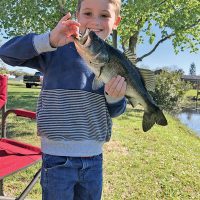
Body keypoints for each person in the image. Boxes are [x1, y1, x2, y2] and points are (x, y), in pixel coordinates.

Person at [0, 0, 126, 199]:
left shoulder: (116, 61)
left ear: (116, 21)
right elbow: (6, 54)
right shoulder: (55, 48)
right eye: (87, 13)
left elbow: (116, 111)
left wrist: (114, 97)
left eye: (104, 15)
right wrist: (49, 39)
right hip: (56, 159)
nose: (95, 21)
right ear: (77, 16)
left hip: (94, 160)